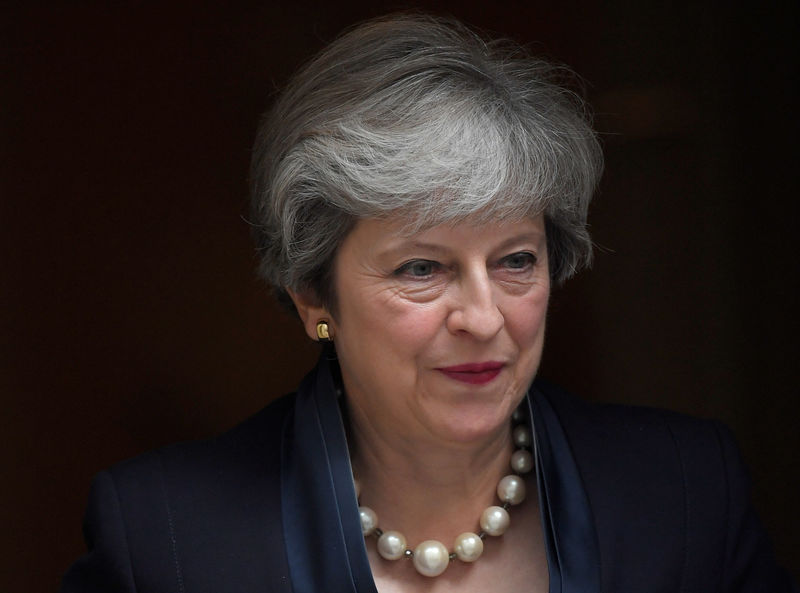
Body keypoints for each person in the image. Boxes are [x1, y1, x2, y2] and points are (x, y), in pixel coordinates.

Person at [60, 13, 796, 593]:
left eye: (515, 260)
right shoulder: (167, 537)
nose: (482, 317)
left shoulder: (685, 494)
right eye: (422, 268)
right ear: (313, 294)